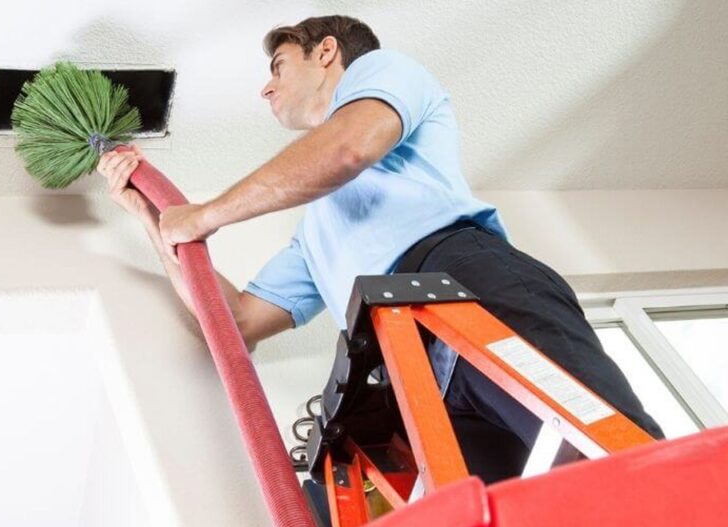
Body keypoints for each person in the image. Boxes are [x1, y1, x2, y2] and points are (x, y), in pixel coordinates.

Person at [98, 15, 664, 483]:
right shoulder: (318, 230)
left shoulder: (384, 70)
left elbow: (349, 148)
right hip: (415, 369)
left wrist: (206, 214)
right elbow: (236, 322)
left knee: (612, 457)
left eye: (278, 66)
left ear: (326, 51)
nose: (265, 89)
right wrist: (152, 219)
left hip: (465, 285)